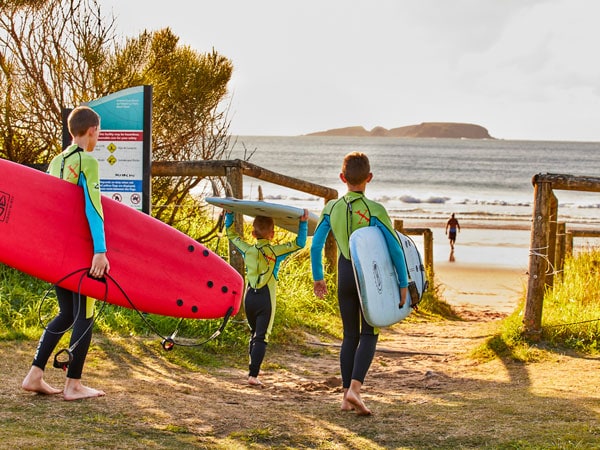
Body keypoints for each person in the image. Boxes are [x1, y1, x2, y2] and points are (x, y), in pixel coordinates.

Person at [22, 106, 110, 401]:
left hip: (56, 252)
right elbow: (93, 206)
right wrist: (100, 250)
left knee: (67, 313)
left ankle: (35, 374)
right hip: (77, 252)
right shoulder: (87, 161)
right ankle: (73, 384)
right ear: (93, 130)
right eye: (99, 132)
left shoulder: (56, 161)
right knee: (84, 314)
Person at [310, 152, 408, 416]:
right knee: (370, 332)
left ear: (342, 178)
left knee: (349, 335)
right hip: (370, 278)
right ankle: (355, 389)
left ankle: (344, 397)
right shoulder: (375, 210)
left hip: (344, 273)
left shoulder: (331, 208)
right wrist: (403, 282)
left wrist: (318, 277)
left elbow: (316, 245)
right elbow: (396, 250)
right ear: (369, 178)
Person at [226, 209, 309, 386]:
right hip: (266, 299)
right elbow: (300, 243)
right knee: (262, 337)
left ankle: (251, 372)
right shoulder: (276, 252)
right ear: (272, 234)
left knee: (253, 334)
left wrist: (230, 215)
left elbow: (231, 234)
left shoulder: (246, 249)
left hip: (248, 298)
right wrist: (303, 223)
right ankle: (253, 375)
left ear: (253, 233)